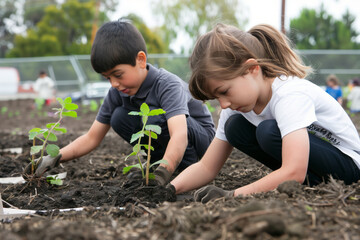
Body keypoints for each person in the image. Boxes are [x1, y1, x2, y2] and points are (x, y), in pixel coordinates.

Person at [170, 23, 360, 203]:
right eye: (216, 97)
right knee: (235, 127)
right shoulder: (236, 107)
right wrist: (168, 189)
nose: (224, 104)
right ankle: (308, 185)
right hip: (311, 172)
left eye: (224, 91)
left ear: (252, 68)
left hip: (349, 168)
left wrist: (232, 195)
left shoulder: (289, 95)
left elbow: (294, 171)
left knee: (267, 131)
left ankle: (302, 183)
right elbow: (206, 167)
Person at [23, 20, 215, 186]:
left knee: (157, 117)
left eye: (118, 74)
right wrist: (54, 158)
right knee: (118, 117)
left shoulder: (166, 84)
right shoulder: (117, 91)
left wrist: (165, 172)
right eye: (107, 78)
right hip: (173, 142)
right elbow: (92, 137)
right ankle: (157, 166)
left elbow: (179, 134)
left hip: (202, 144)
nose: (114, 83)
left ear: (140, 60)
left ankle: (186, 172)